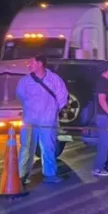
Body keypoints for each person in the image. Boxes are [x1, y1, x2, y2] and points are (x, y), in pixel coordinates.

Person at [16, 55, 69, 184]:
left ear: (40, 64)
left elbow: (62, 97)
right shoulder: (25, 81)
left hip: (47, 120)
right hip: (30, 120)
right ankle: (21, 175)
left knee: (48, 147)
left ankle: (50, 174)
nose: (29, 65)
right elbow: (20, 96)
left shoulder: (54, 79)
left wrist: (52, 110)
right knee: (26, 147)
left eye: (32, 62)